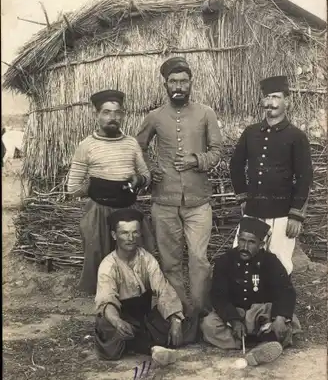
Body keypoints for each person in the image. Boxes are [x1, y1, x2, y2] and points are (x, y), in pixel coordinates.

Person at [136, 57, 222, 317]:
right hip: (164, 201)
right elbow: (137, 147)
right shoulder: (155, 117)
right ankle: (180, 315)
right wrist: (150, 169)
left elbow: (217, 151)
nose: (179, 86)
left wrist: (197, 160)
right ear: (165, 84)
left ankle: (200, 313)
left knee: (199, 259)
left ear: (191, 83)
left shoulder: (206, 113)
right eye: (173, 81)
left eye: (183, 81)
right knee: (171, 262)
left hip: (199, 202)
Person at [67, 89, 155, 295]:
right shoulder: (86, 146)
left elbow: (145, 175)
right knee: (101, 267)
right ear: (96, 115)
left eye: (117, 113)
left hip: (129, 212)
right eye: (106, 112)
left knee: (136, 264)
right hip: (99, 214)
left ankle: (134, 311)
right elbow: (72, 187)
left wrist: (139, 180)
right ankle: (106, 312)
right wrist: (97, 189)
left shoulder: (131, 143)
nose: (112, 118)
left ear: (123, 115)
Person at [230, 75, 313, 276]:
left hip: (282, 213)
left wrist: (296, 215)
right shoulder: (251, 132)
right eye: (266, 98)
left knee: (279, 266)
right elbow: (235, 164)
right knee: (243, 259)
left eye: (276, 97)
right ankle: (247, 306)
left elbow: (305, 176)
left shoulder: (296, 136)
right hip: (253, 209)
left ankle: (276, 307)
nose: (270, 103)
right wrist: (242, 196)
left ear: (287, 101)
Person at [94, 208, 198, 364]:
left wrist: (175, 321)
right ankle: (152, 347)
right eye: (124, 233)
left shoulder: (147, 259)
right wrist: (117, 322)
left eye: (135, 232)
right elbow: (106, 300)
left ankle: (143, 344)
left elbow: (163, 290)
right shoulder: (108, 265)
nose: (130, 238)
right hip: (121, 315)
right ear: (114, 236)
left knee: (187, 318)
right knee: (109, 328)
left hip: (144, 317)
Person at [201, 217, 302, 366]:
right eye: (242, 240)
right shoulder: (225, 260)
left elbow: (286, 291)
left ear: (261, 244)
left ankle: (260, 342)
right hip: (236, 314)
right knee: (208, 325)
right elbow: (218, 295)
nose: (244, 247)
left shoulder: (270, 261)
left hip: (260, 314)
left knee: (287, 320)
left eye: (251, 242)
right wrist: (233, 320)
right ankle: (264, 341)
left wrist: (280, 317)